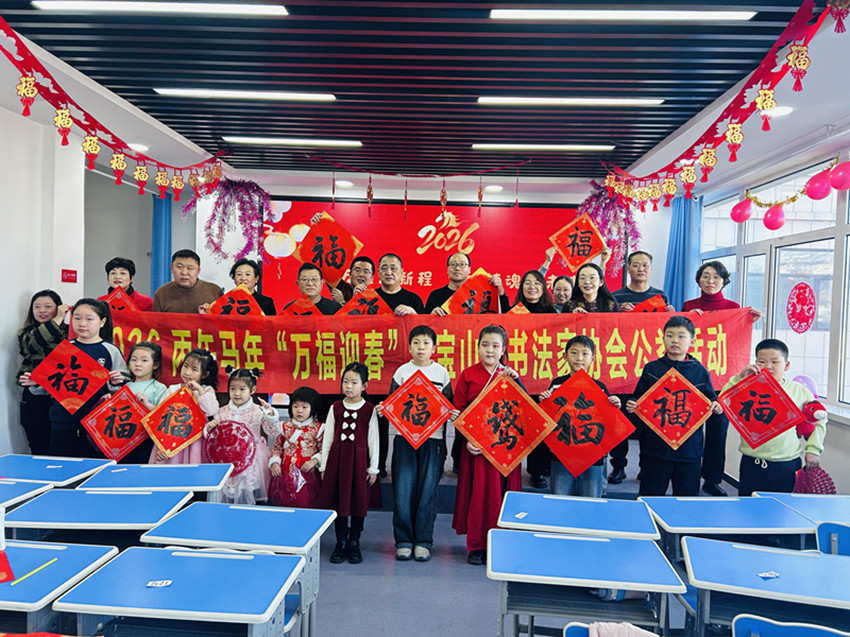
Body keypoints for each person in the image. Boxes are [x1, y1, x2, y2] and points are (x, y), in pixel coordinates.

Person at [682, 260, 760, 495]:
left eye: (716, 277)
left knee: (718, 433)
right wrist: (687, 318)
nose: (710, 281)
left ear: (724, 281)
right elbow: (677, 333)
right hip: (693, 378)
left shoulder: (733, 308)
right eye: (706, 276)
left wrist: (749, 321)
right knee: (688, 430)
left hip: (722, 382)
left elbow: (735, 340)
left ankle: (712, 479)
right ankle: (689, 475)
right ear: (698, 280)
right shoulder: (689, 306)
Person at [377, 325, 452, 563]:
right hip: (404, 439)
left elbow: (448, 406)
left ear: (434, 348)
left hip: (433, 440)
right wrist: (384, 409)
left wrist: (451, 413)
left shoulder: (442, 373)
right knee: (403, 490)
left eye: (426, 343)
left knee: (428, 491)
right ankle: (403, 541)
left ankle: (423, 541)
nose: (421, 347)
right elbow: (392, 403)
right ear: (409, 347)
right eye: (416, 343)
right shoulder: (402, 372)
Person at [626, 316, 723, 496]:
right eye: (670, 335)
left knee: (686, 500)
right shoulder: (652, 368)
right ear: (662, 338)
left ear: (692, 341)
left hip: (689, 449)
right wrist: (633, 404)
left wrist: (715, 405)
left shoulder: (700, 371)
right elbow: (639, 397)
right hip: (656, 448)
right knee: (650, 497)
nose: (675, 341)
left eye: (681, 336)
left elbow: (710, 399)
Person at [20, 299, 129, 458]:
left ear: (102, 321)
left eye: (89, 319)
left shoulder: (110, 350)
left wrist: (115, 383)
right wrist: (36, 382)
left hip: (96, 424)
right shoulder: (64, 347)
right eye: (77, 318)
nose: (82, 323)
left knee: (93, 468)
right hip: (62, 421)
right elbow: (52, 385)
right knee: (60, 467)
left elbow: (123, 388)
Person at [452, 325, 523, 565]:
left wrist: (518, 382)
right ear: (478, 347)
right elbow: (459, 411)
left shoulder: (510, 375)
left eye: (495, 346)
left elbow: (525, 410)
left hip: (505, 447)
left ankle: (502, 544)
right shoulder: (468, 375)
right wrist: (467, 440)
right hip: (478, 447)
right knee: (479, 496)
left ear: (503, 349)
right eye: (485, 345)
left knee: (502, 496)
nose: (490, 350)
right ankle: (477, 545)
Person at [722, 339, 827, 496]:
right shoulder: (747, 386)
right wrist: (738, 378)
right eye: (761, 361)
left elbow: (819, 418)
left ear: (787, 365)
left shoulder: (799, 391)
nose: (768, 366)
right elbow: (724, 400)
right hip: (752, 462)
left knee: (783, 508)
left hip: (786, 464)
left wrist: (813, 449)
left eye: (775, 362)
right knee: (748, 507)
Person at [608, 251, 671, 484]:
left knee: (648, 422)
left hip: (650, 370)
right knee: (620, 423)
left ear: (651, 269)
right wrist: (616, 313)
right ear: (628, 269)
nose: (641, 269)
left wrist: (671, 313)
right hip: (621, 369)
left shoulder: (660, 296)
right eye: (636, 265)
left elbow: (666, 330)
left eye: (645, 265)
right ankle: (619, 466)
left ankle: (646, 467)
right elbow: (606, 329)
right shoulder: (616, 296)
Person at [539, 336, 622, 497]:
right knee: (560, 496)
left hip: (592, 454)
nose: (579, 358)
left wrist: (615, 405)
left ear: (593, 359)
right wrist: (544, 401)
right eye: (574, 353)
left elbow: (609, 422)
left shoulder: (600, 387)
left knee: (591, 498)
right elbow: (548, 416)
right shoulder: (556, 384)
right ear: (565, 356)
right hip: (562, 453)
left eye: (585, 354)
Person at [319, 362, 379, 564]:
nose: (349, 386)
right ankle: (341, 541)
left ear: (364, 386)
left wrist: (373, 468)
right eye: (345, 382)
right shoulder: (335, 407)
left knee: (358, 502)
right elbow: (328, 438)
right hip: (338, 462)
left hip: (359, 461)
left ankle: (354, 541)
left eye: (354, 382)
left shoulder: (369, 410)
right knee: (340, 501)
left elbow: (373, 440)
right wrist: (324, 465)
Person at [206, 368, 280, 504]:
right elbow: (214, 439)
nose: (237, 393)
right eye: (232, 389)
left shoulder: (258, 411)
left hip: (251, 458)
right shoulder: (221, 412)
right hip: (227, 457)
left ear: (252, 390)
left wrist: (270, 415)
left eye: (242, 389)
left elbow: (274, 432)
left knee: (248, 493)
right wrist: (210, 428)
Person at [511, 270, 556, 489]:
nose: (532, 287)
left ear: (543, 287)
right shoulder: (513, 312)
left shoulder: (552, 312)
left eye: (536, 283)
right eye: (527, 283)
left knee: (540, 424)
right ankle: (510, 466)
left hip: (542, 376)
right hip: (518, 376)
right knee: (516, 423)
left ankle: (537, 471)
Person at [16, 290, 69, 454]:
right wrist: (58, 318)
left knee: (62, 449)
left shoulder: (70, 333)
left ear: (58, 307)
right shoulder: (26, 332)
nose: (42, 310)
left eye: (48, 306)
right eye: (37, 306)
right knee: (39, 448)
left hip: (63, 396)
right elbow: (32, 344)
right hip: (35, 398)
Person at [150, 349, 219, 465]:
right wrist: (161, 446)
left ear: (205, 374)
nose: (187, 372)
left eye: (194, 369)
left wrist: (199, 389)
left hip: (195, 442)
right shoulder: (173, 389)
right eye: (185, 366)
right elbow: (161, 416)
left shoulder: (206, 390)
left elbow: (211, 410)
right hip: (172, 439)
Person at [269, 386, 324, 508]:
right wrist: (275, 463)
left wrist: (314, 461)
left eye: (304, 407)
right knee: (284, 501)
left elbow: (323, 450)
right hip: (285, 471)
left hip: (308, 472)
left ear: (312, 408)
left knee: (306, 502)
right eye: (295, 406)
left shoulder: (319, 428)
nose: (299, 410)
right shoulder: (283, 426)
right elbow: (277, 447)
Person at [124, 341, 167, 463]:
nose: (137, 364)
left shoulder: (160, 388)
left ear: (155, 365)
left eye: (144, 360)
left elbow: (163, 417)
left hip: (145, 439)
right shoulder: (125, 386)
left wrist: (147, 404)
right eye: (134, 360)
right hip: (124, 439)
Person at [425, 252, 508, 315]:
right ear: (447, 269)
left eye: (462, 264)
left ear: (469, 269)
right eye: (453, 264)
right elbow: (424, 324)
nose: (457, 268)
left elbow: (505, 315)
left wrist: (500, 291)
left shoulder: (481, 293)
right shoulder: (435, 295)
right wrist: (431, 315)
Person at [152, 249, 222, 313]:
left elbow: (223, 320)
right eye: (179, 267)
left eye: (190, 268)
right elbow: (155, 321)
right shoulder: (161, 293)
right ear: (172, 268)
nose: (184, 272)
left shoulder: (215, 291)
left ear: (198, 271)